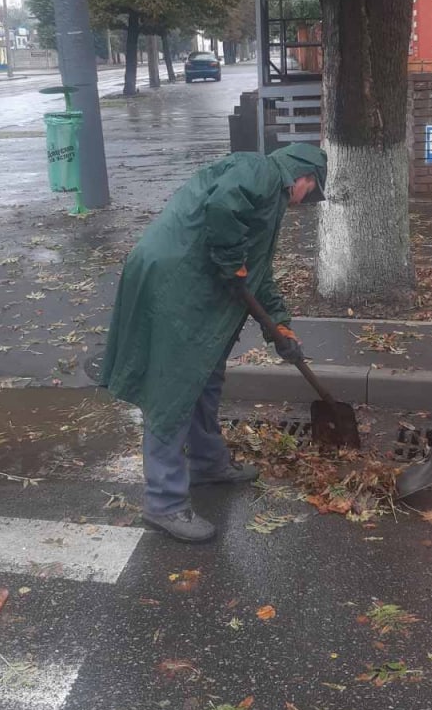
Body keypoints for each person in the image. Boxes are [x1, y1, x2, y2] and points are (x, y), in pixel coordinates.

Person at [100, 144, 328, 542]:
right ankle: (164, 503)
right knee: (171, 388)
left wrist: (282, 328)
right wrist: (230, 259)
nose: (303, 201)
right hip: (175, 286)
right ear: (304, 178)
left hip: (195, 291)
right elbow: (224, 207)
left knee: (205, 379)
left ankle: (207, 463)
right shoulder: (261, 170)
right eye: (310, 192)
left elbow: (257, 275)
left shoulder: (269, 199)